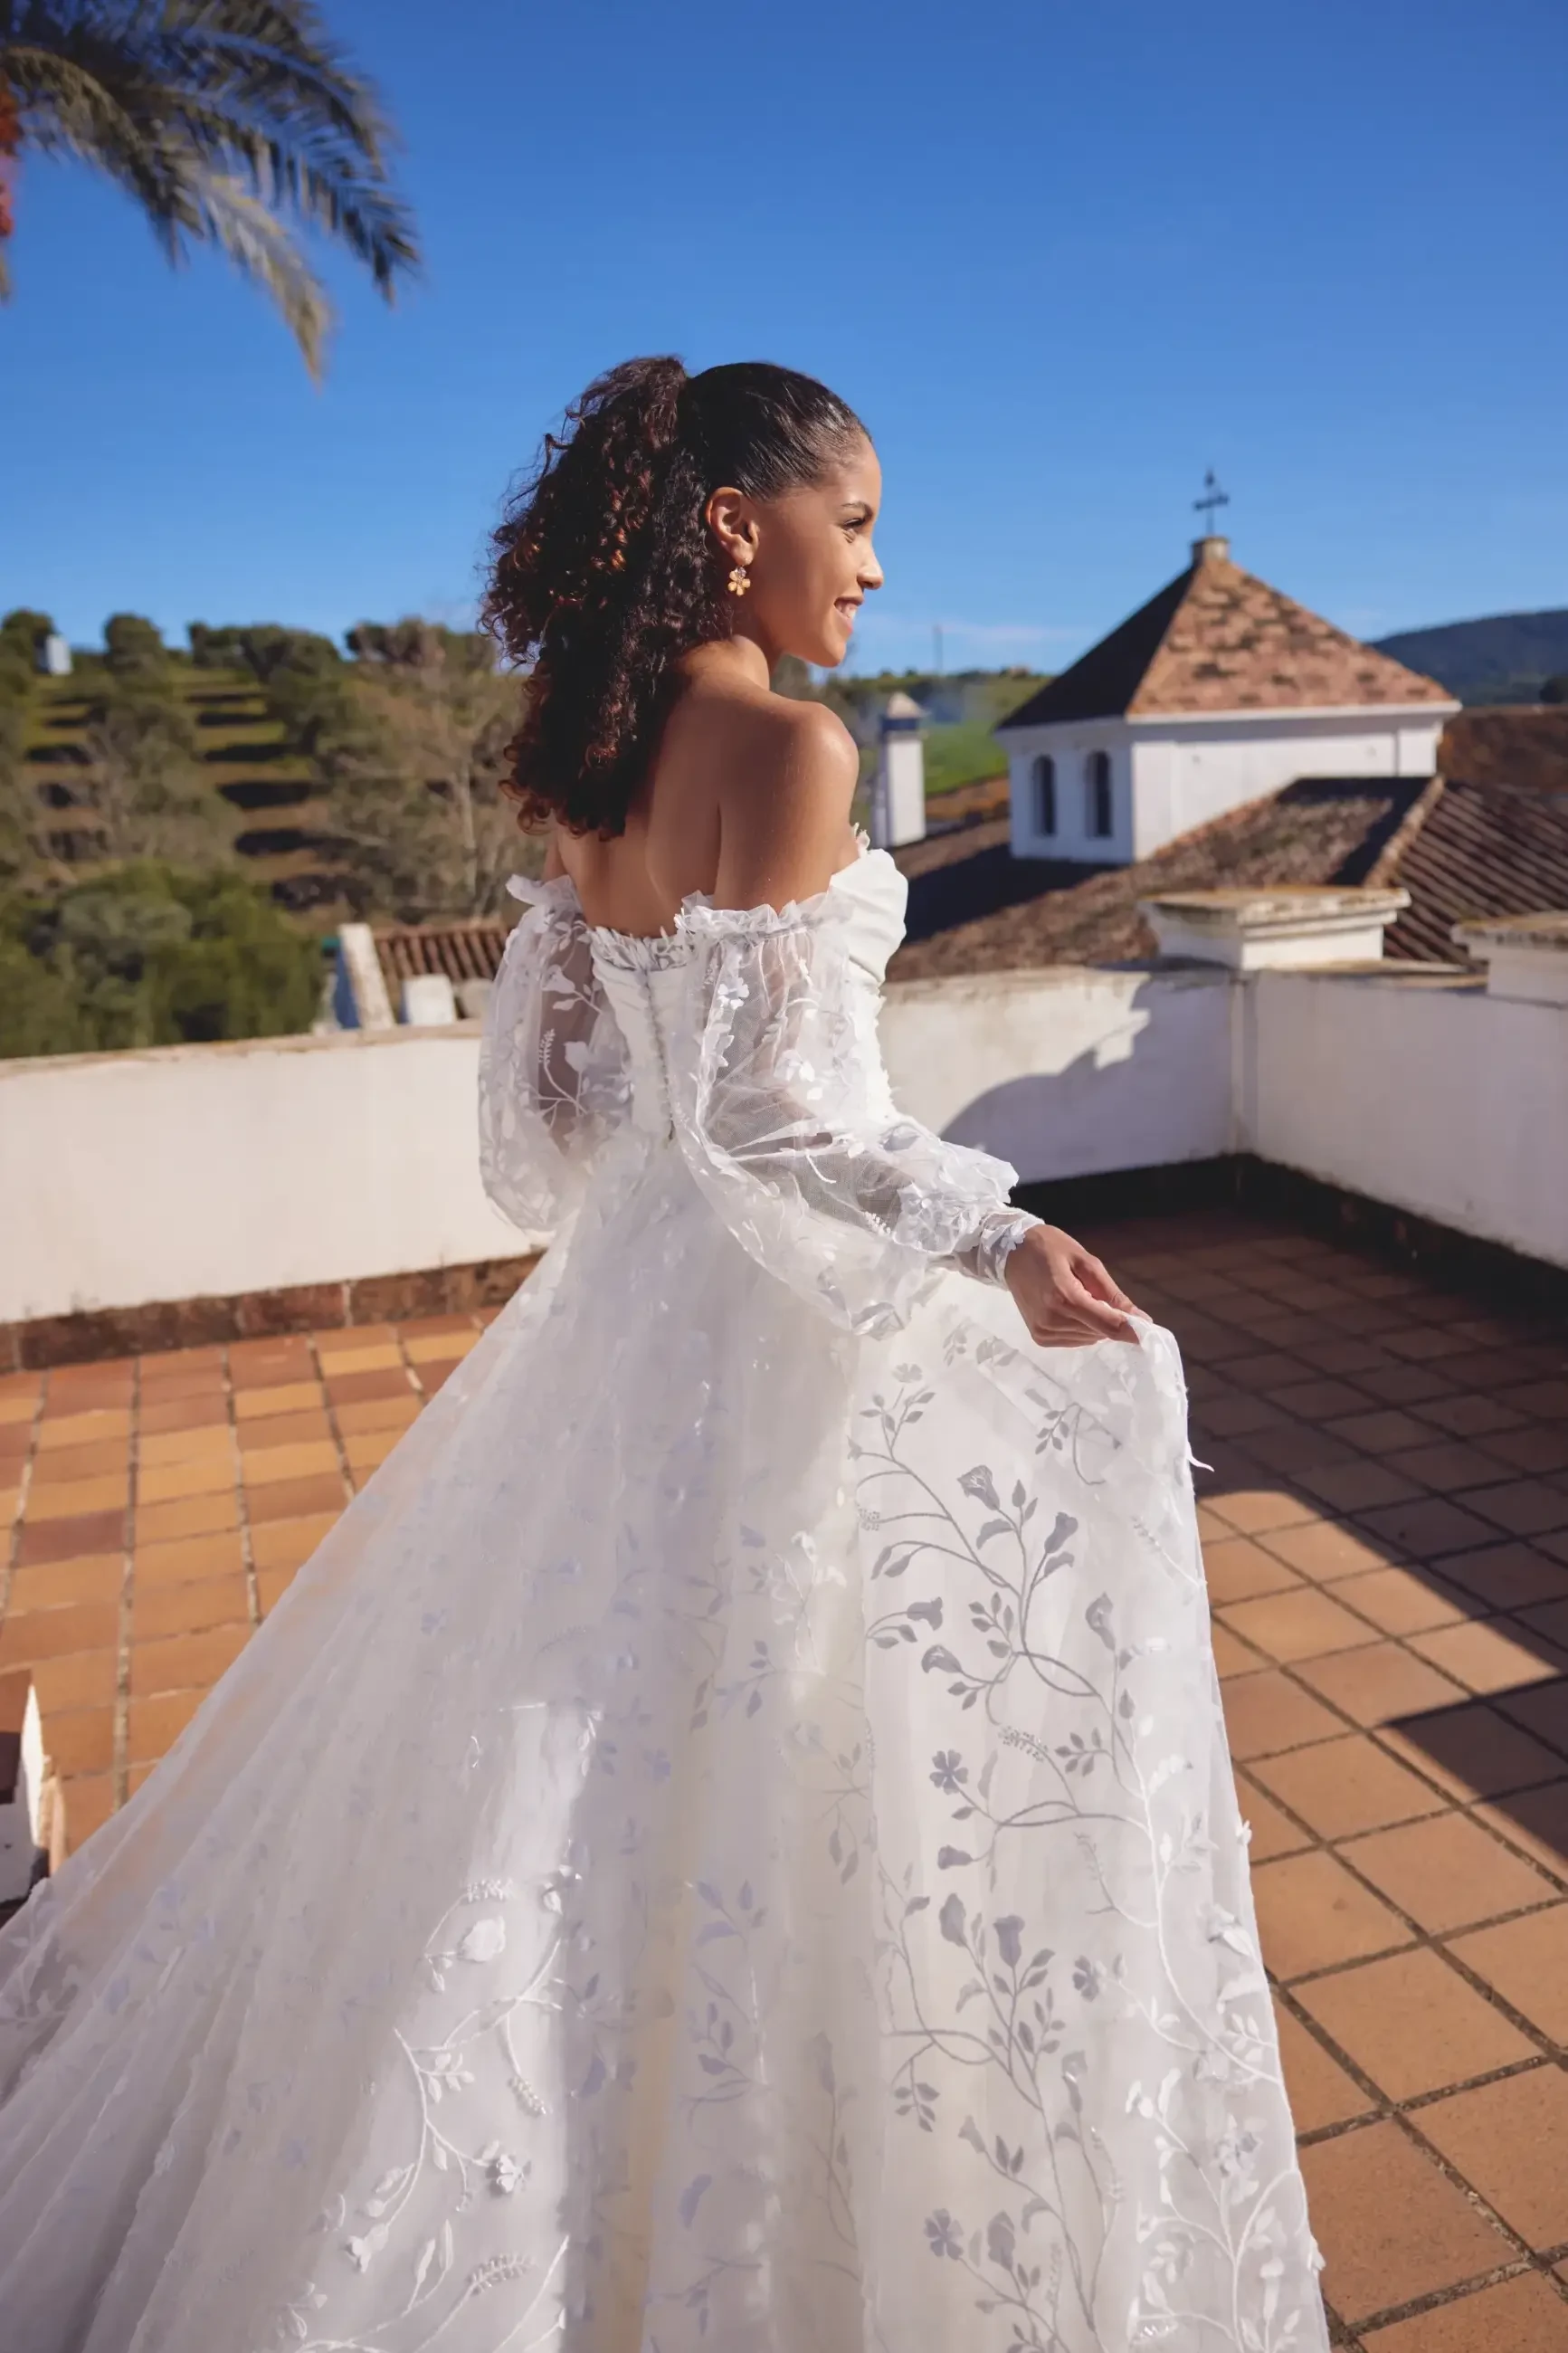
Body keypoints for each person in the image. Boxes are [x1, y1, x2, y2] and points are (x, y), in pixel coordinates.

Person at [0, 358, 1326, 2353]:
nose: (873, 569)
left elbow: (557, 1121)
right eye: (852, 522)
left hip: (617, 1321)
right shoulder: (793, 750)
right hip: (756, 1338)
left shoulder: (589, 769)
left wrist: (675, 1164)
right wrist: (1003, 1237)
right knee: (783, 1759)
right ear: (734, 523)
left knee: (581, 1762)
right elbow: (776, 1121)